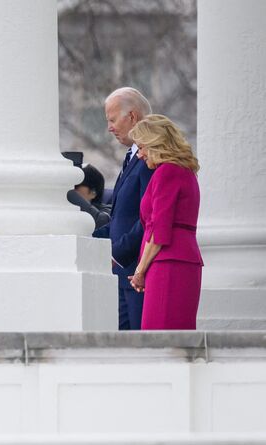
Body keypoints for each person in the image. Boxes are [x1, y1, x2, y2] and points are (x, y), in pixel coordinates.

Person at [128, 115, 203, 330]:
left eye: (142, 147)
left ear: (155, 144)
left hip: (167, 263)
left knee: (159, 338)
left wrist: (140, 271)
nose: (140, 154)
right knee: (177, 335)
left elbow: (159, 229)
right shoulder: (186, 172)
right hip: (182, 260)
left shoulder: (167, 172)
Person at [93, 87, 155, 330]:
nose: (109, 127)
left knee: (139, 348)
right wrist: (84, 236)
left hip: (137, 273)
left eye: (112, 119)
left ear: (132, 116)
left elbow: (148, 216)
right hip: (121, 275)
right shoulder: (131, 156)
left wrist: (116, 255)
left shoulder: (148, 158)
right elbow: (121, 218)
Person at [67, 164, 111, 229]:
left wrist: (68, 192)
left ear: (93, 193)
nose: (73, 189)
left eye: (76, 186)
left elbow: (100, 221)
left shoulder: (109, 212)